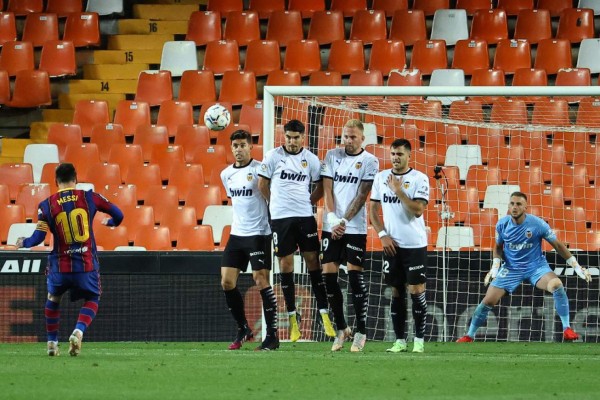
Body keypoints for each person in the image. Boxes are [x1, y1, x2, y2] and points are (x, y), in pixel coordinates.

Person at [15, 163, 123, 356]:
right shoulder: (90, 197)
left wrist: (23, 242)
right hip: (85, 264)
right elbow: (119, 214)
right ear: (76, 179)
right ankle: (78, 330)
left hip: (59, 266)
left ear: (56, 182)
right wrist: (111, 222)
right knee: (92, 297)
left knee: (53, 299)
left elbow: (38, 238)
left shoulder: (46, 205)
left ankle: (51, 343)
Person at [457, 192, 591, 343]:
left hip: (536, 267)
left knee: (557, 285)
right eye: (512, 204)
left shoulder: (538, 224)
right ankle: (469, 336)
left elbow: (558, 245)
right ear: (508, 206)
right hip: (511, 268)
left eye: (519, 204)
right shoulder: (502, 224)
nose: (514, 207)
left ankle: (567, 329)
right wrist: (495, 267)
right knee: (488, 301)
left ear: (525, 207)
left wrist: (576, 266)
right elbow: (498, 247)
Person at [258, 119, 335, 342]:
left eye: (296, 138)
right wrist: (275, 205)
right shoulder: (273, 156)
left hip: (304, 217)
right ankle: (293, 318)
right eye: (288, 137)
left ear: (303, 137)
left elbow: (320, 185)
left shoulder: (310, 159)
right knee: (286, 265)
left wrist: (308, 202)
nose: (292, 141)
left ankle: (323, 313)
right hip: (281, 219)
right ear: (285, 136)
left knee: (313, 262)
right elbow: (262, 184)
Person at [321, 119, 379, 352]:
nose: (348, 140)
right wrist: (333, 219)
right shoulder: (331, 155)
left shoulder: (369, 161)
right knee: (328, 277)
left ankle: (361, 331)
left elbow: (363, 194)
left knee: (355, 279)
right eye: (345, 136)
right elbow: (327, 189)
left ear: (362, 138)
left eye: (353, 137)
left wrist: (344, 221)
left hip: (354, 228)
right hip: (331, 225)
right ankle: (342, 328)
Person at [369, 138, 430, 353]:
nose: (395, 158)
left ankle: (419, 341)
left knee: (416, 291)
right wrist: (383, 235)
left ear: (409, 156)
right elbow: (373, 212)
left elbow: (417, 210)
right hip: (391, 245)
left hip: (414, 245)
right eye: (393, 153)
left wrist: (398, 191)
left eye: (400, 154)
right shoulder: (380, 178)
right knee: (396, 291)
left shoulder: (419, 179)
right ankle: (400, 341)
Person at [220, 129, 279, 351]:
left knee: (261, 280)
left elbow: (270, 199)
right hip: (237, 234)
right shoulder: (226, 174)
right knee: (227, 281)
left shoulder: (259, 171)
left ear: (250, 147)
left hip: (259, 233)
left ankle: (272, 336)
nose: (238, 149)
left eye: (243, 145)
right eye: (235, 146)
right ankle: (243, 328)